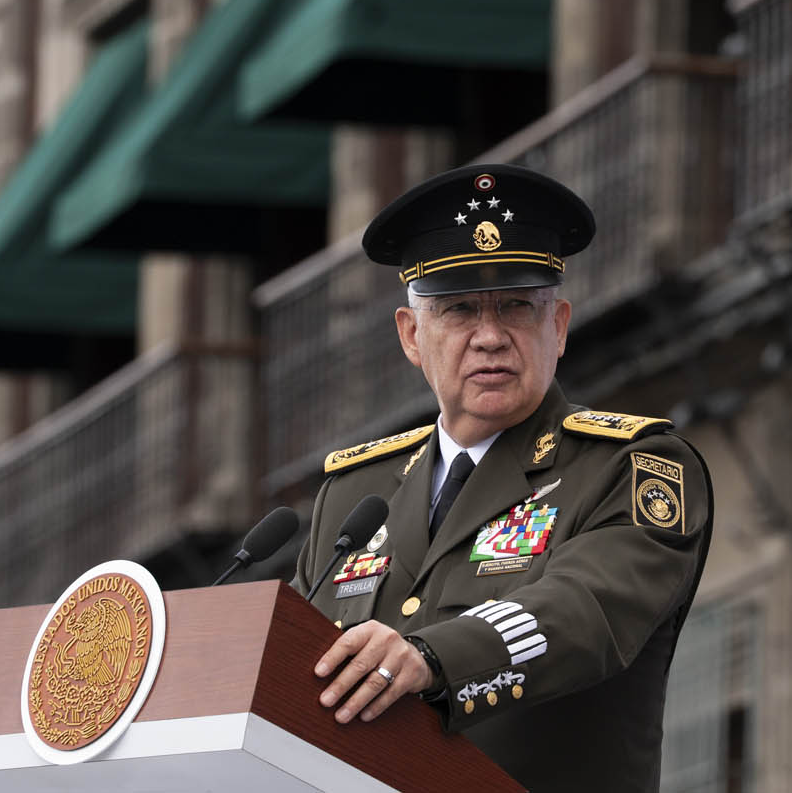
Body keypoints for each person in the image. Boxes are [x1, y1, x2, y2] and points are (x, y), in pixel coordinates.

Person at [292, 164, 712, 792]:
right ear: (412, 336)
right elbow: (293, 667)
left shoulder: (629, 468)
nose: (490, 337)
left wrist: (432, 658)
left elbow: (583, 608)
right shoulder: (354, 496)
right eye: (459, 311)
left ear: (559, 326)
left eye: (517, 307)